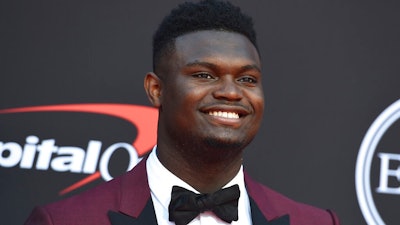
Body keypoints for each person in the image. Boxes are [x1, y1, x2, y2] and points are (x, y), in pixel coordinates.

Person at [24, 0, 340, 225]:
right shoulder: (64, 221)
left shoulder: (315, 222)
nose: (231, 92)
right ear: (156, 89)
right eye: (204, 75)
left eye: (247, 79)